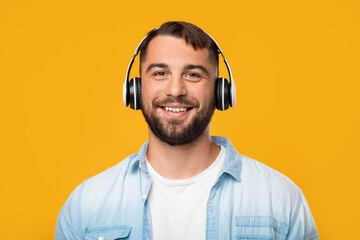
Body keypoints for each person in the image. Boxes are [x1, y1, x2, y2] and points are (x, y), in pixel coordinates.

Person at [55, 21, 319, 240]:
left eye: (193, 74)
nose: (175, 90)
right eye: (160, 73)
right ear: (135, 90)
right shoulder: (86, 206)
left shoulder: (282, 201)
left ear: (220, 91)